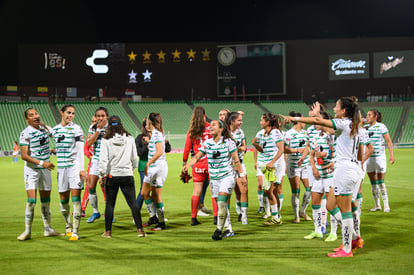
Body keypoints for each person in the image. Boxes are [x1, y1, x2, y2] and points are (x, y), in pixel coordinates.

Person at [280, 98, 365, 258]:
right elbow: (358, 152)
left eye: (337, 106)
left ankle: (347, 249)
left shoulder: (344, 123)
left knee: (345, 210)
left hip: (344, 170)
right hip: (350, 169)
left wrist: (294, 119)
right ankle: (354, 238)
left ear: (344, 111)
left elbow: (318, 121)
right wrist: (318, 116)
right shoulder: (353, 126)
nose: (334, 108)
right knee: (331, 205)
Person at [183, 119, 246, 241]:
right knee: (221, 205)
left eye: (214, 125)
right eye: (210, 125)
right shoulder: (207, 143)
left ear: (221, 129)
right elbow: (197, 156)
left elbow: (236, 160)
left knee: (222, 202)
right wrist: (187, 165)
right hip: (214, 179)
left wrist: (242, 176)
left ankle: (218, 230)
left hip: (227, 176)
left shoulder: (228, 142)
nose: (210, 127)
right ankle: (229, 229)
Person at [17, 107, 62, 240]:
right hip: (32, 170)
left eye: (36, 113)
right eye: (31, 115)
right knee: (31, 201)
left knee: (45, 202)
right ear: (27, 119)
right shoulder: (25, 133)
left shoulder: (45, 128)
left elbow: (58, 137)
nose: (36, 116)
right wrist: (43, 163)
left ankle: (48, 229)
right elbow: (24, 156)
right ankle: (27, 231)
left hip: (45, 171)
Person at [99, 115, 146, 238]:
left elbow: (103, 160)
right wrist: (132, 169)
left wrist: (102, 175)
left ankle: (108, 232)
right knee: (133, 204)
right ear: (121, 124)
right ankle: (140, 230)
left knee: (110, 204)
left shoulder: (106, 140)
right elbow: (135, 158)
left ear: (109, 125)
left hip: (112, 175)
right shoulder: (129, 138)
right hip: (127, 175)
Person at [51, 104, 85, 241]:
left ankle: (76, 231)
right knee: (63, 202)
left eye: (73, 113)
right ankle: (68, 224)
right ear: (61, 113)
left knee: (76, 200)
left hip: (74, 168)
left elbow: (80, 151)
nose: (70, 115)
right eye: (68, 113)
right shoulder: (55, 130)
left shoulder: (77, 129)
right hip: (61, 169)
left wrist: (81, 169)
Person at [304, 111, 335, 240]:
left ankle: (333, 232)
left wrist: (326, 156)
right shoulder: (315, 135)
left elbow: (336, 153)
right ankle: (318, 230)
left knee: (331, 205)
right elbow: (311, 154)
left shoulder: (333, 136)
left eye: (318, 120)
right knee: (315, 203)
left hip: (330, 174)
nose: (315, 122)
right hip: (318, 174)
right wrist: (313, 167)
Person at [183, 107, 215, 226]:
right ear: (205, 115)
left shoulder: (192, 131)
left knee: (196, 191)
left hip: (197, 163)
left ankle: (193, 218)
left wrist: (184, 164)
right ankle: (216, 218)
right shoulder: (211, 127)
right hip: (211, 163)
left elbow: (187, 149)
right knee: (214, 191)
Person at [252, 113, 285, 225]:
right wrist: (255, 145)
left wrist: (272, 162)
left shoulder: (275, 132)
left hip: (275, 166)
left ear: (267, 122)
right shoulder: (264, 134)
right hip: (268, 166)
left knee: (269, 190)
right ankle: (277, 216)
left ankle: (276, 217)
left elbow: (281, 149)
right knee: (271, 191)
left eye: (262, 120)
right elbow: (263, 150)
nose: (260, 122)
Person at [141, 113, 168, 231]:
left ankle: (161, 223)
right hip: (153, 167)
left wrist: (148, 163)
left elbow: (159, 152)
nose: (146, 121)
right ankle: (153, 217)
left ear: (150, 122)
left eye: (147, 120)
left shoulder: (157, 134)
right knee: (144, 193)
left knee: (156, 196)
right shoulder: (155, 133)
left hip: (158, 167)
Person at [284, 111, 312, 223]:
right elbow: (285, 149)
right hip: (293, 166)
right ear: (299, 121)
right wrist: (297, 150)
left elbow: (309, 147)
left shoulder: (306, 133)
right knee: (296, 191)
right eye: (303, 120)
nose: (305, 122)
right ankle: (296, 216)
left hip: (305, 166)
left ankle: (302, 211)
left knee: (309, 190)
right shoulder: (288, 134)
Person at [365, 109, 395, 212]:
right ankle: (377, 205)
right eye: (367, 115)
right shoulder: (366, 128)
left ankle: (386, 205)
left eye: (369, 115)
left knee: (381, 182)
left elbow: (389, 141)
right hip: (369, 158)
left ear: (375, 117)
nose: (367, 116)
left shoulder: (382, 126)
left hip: (379, 157)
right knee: (373, 183)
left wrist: (391, 155)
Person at [86, 107, 109, 223]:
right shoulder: (93, 128)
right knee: (91, 186)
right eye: (98, 116)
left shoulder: (111, 128)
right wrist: (98, 131)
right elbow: (89, 143)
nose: (100, 118)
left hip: (108, 161)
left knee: (107, 188)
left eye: (102, 116)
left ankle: (110, 212)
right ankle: (95, 212)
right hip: (95, 160)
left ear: (107, 117)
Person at [227, 111, 249, 224]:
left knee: (244, 189)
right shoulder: (225, 133)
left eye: (241, 120)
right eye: (239, 120)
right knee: (229, 192)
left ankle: (243, 215)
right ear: (232, 121)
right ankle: (227, 216)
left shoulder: (241, 132)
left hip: (240, 163)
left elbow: (244, 146)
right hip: (229, 167)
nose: (241, 122)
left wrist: (238, 149)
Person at [135, 117, 150, 212]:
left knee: (156, 191)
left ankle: (156, 215)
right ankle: (135, 212)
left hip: (156, 166)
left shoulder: (156, 136)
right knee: (143, 190)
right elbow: (139, 152)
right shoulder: (139, 138)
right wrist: (147, 145)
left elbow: (167, 149)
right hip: (144, 166)